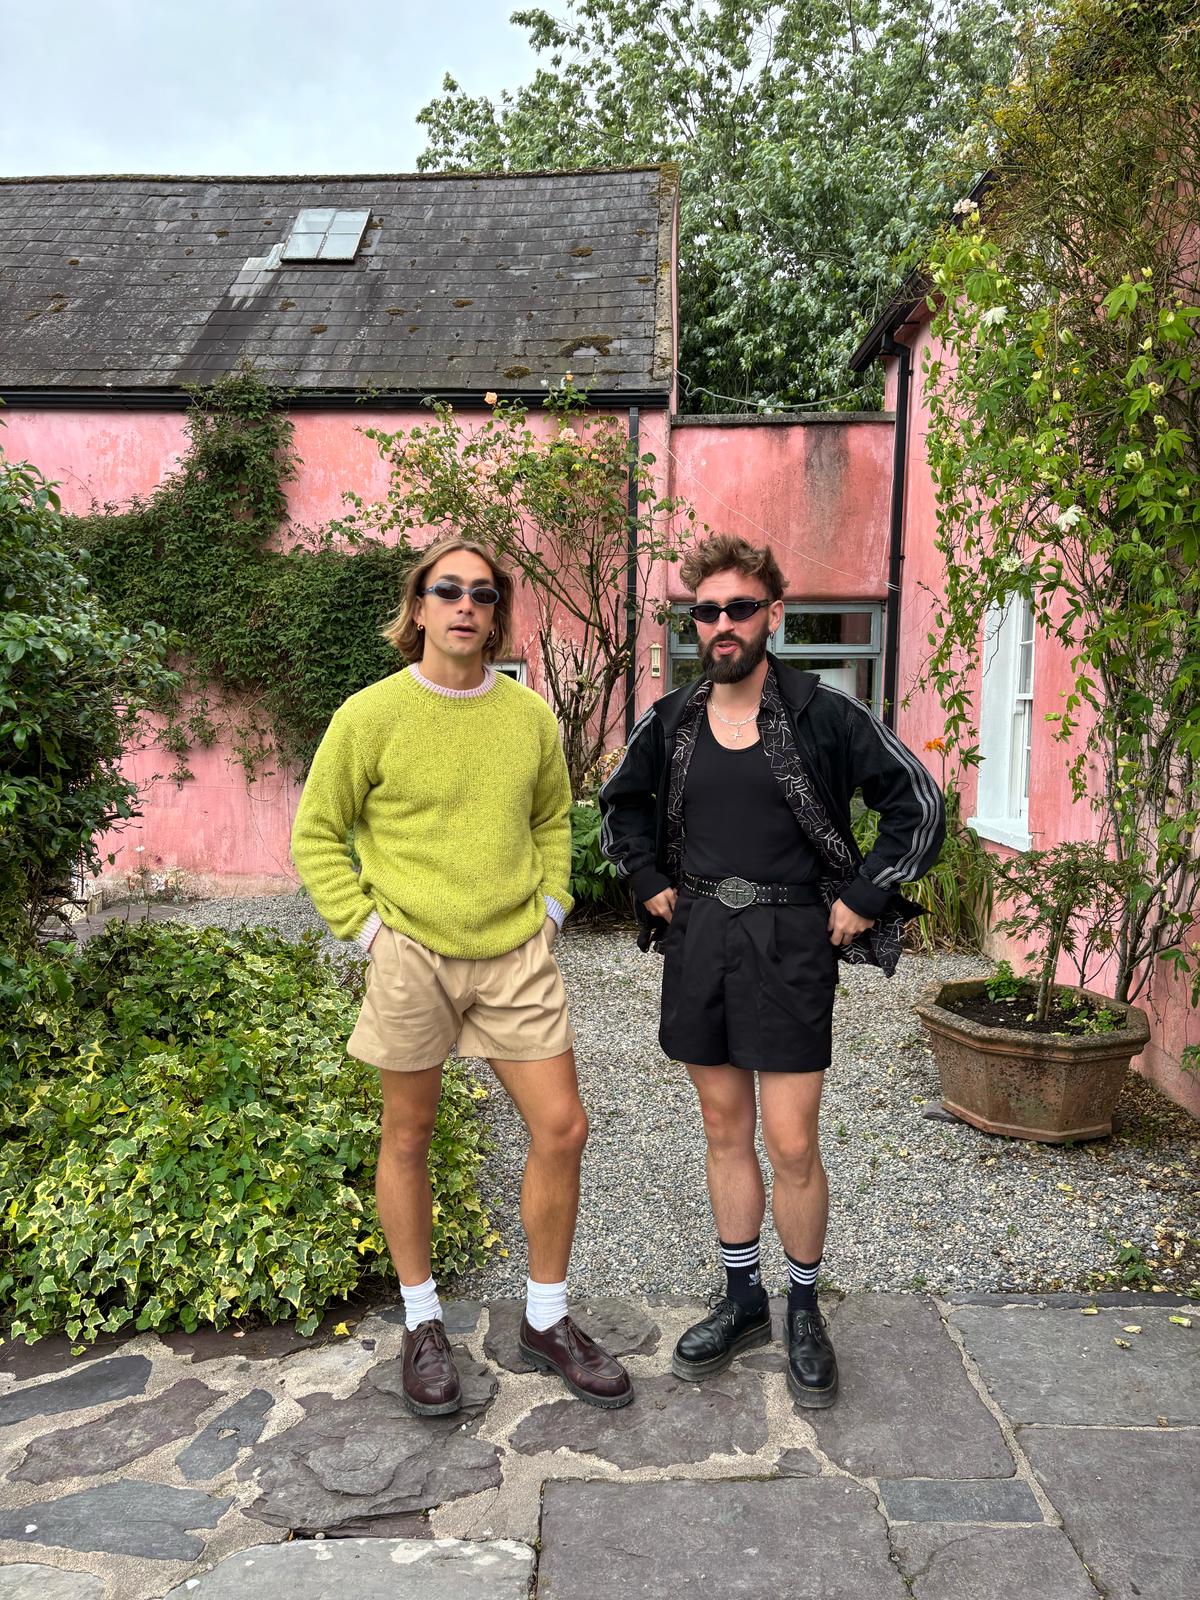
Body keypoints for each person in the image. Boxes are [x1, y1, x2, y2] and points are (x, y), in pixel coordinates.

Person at [599, 534, 944, 1407]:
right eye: (705, 611)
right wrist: (648, 883)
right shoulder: (672, 720)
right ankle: (743, 1295)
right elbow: (619, 807)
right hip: (701, 936)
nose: (721, 625)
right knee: (723, 1130)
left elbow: (918, 803)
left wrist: (866, 892)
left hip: (793, 940)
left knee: (790, 1139)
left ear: (773, 616)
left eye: (738, 609)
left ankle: (801, 1303)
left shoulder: (824, 712)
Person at [292, 536, 633, 1415]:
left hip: (515, 955)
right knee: (408, 1136)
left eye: (483, 594)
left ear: (497, 614)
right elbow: (317, 834)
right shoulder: (368, 716)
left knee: (562, 1128)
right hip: (410, 955)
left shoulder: (528, 718)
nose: (465, 606)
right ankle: (421, 1321)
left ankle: (547, 1318)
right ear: (418, 607)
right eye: (448, 590)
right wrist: (369, 934)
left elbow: (556, 817)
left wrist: (554, 906)